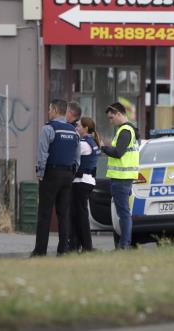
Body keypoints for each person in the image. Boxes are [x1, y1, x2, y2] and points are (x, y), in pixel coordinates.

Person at [31, 99, 80, 257]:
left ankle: (40, 251)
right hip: (67, 175)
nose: (48, 112)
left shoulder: (49, 128)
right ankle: (63, 250)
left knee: (45, 213)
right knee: (63, 214)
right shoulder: (74, 131)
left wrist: (40, 172)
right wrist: (71, 172)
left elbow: (42, 153)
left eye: (50, 109)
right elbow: (77, 158)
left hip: (51, 174)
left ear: (55, 110)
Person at [101, 102, 139, 249]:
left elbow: (118, 153)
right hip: (124, 178)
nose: (111, 121)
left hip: (121, 178)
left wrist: (103, 148)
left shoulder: (125, 131)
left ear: (118, 114)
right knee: (124, 212)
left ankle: (124, 244)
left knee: (123, 213)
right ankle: (124, 243)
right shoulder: (129, 130)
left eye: (111, 117)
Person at [70, 116, 101, 252]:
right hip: (88, 181)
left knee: (79, 215)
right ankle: (79, 245)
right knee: (79, 214)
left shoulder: (83, 144)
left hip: (80, 182)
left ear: (85, 128)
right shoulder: (93, 142)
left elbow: (71, 157)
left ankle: (86, 246)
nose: (76, 128)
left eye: (78, 126)